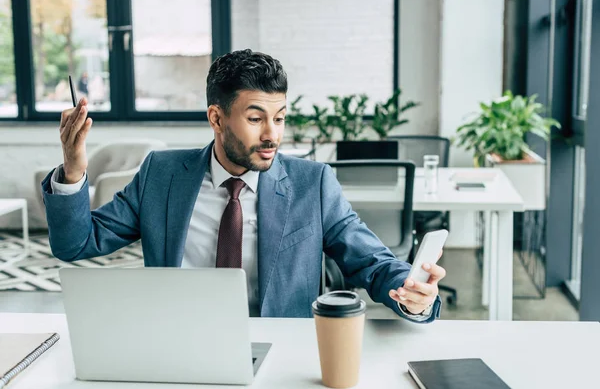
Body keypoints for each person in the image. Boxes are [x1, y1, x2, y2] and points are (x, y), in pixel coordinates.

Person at [41, 49, 446, 321]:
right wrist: (74, 169)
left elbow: (372, 262)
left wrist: (411, 293)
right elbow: (76, 244)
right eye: (256, 119)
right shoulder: (161, 175)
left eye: (281, 117)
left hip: (281, 352)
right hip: (179, 345)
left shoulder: (313, 184)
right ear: (217, 118)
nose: (272, 134)